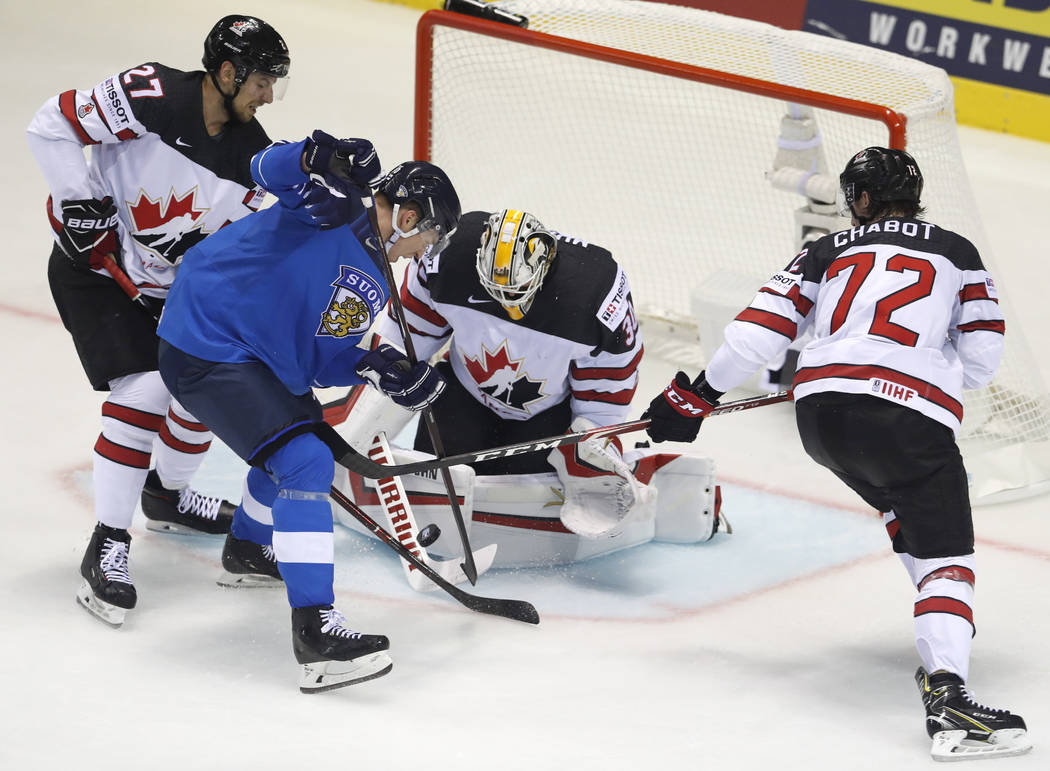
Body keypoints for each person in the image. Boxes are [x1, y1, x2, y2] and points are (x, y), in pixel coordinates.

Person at [642, 147, 1030, 761]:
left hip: (821, 418)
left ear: (863, 200)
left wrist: (699, 396)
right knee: (948, 561)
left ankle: (939, 629)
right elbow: (982, 364)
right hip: (907, 421)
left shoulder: (827, 250)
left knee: (902, 513)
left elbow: (755, 333)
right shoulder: (957, 252)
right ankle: (950, 700)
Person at [157, 134, 462, 692]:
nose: (424, 252)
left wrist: (379, 367)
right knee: (303, 463)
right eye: (429, 237)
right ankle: (316, 632)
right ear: (410, 214)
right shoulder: (334, 204)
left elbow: (323, 362)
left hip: (255, 358)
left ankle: (248, 547)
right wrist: (312, 156)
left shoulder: (374, 276)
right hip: (206, 338)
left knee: (299, 443)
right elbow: (264, 169)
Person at [26, 15, 291, 627]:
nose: (268, 96)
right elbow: (52, 123)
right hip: (93, 274)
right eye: (261, 81)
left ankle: (167, 495)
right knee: (146, 388)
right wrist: (78, 201)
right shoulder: (152, 95)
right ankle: (109, 542)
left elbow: (248, 247)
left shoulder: (253, 157)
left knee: (203, 381)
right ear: (226, 73)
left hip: (165, 295)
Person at [333, 207, 723, 565]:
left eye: (516, 295)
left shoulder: (596, 294)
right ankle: (340, 447)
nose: (507, 307)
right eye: (494, 293)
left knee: (520, 491)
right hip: (461, 396)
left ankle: (629, 469)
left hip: (547, 416)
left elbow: (605, 394)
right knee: (437, 483)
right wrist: (395, 369)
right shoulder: (447, 256)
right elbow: (407, 336)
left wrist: (593, 444)